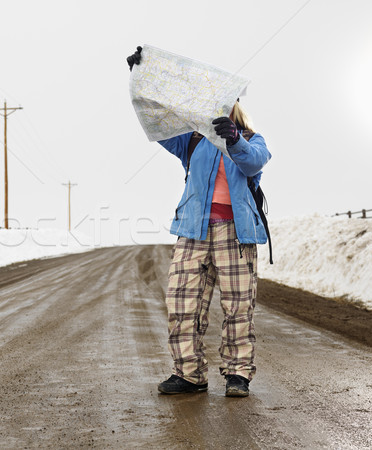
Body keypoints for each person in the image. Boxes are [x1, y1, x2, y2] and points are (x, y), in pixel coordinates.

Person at [127, 46, 272, 397]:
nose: (218, 109)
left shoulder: (252, 140)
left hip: (237, 234)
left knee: (238, 306)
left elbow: (254, 163)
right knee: (182, 303)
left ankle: (238, 375)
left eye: (224, 103)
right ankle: (189, 374)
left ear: (235, 106)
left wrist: (234, 139)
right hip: (193, 232)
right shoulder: (191, 140)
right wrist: (140, 77)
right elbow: (156, 120)